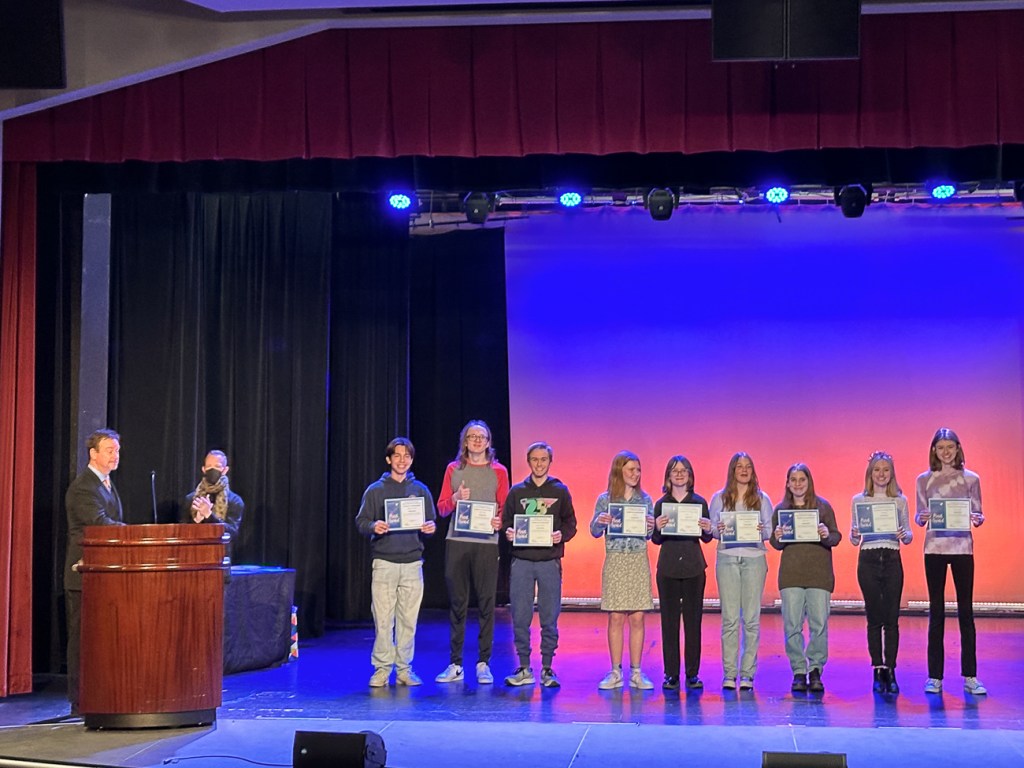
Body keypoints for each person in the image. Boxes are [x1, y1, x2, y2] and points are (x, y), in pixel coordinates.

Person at [354, 437, 437, 687]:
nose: (402, 460)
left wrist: (430, 528)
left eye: (407, 456)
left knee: (408, 621)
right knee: (383, 620)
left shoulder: (420, 490)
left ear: (411, 460)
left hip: (412, 563)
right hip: (384, 562)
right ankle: (381, 669)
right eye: (397, 456)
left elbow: (430, 522)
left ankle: (404, 670)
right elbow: (361, 521)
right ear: (389, 459)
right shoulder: (375, 490)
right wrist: (373, 526)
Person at [435, 420, 510, 685]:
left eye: (482, 436)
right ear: (464, 441)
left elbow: (505, 507)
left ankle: (483, 663)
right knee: (458, 603)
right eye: (472, 436)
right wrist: (456, 498)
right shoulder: (453, 469)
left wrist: (500, 520)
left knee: (487, 603)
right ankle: (455, 664)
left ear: (489, 442)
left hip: (487, 544)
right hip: (457, 541)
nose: (477, 440)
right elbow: (442, 508)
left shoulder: (499, 471)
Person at [915, 427, 986, 696]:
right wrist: (921, 518)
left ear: (958, 449)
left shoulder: (971, 479)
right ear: (934, 450)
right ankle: (935, 676)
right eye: (941, 447)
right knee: (936, 612)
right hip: (934, 548)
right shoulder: (924, 480)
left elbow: (977, 513)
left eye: (950, 447)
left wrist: (978, 519)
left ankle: (970, 676)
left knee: (966, 612)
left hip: (962, 549)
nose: (946, 452)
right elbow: (919, 516)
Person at [500, 441, 577, 688]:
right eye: (535, 459)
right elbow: (506, 522)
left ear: (550, 462)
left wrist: (561, 535)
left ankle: (547, 668)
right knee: (520, 616)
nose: (539, 463)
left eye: (544, 459)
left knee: (549, 617)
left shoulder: (560, 491)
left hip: (549, 562)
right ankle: (524, 667)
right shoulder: (517, 492)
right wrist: (509, 532)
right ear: (528, 461)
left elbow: (571, 524)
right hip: (522, 561)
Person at [64, 428, 126, 714]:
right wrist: (133, 534)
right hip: (83, 574)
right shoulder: (83, 487)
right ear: (93, 453)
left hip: (104, 575)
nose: (116, 455)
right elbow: (100, 524)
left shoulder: (107, 484)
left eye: (117, 450)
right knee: (82, 640)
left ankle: (100, 696)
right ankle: (80, 700)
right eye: (110, 450)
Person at [770, 463, 842, 694]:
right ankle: (799, 671)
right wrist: (777, 536)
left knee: (819, 624)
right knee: (792, 625)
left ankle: (816, 669)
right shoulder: (781, 510)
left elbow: (836, 537)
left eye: (802, 479)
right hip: (791, 575)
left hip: (819, 574)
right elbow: (776, 543)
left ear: (809, 482)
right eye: (793, 479)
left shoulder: (823, 507)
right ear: (787, 483)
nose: (798, 484)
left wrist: (826, 534)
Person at [589, 450, 656, 690]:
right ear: (619, 471)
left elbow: (649, 535)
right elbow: (594, 531)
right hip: (616, 559)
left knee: (637, 617)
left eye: (638, 470)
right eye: (631, 469)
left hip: (637, 559)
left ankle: (636, 672)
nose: (636, 474)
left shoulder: (646, 500)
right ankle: (615, 671)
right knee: (616, 616)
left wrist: (651, 526)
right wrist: (600, 521)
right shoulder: (605, 500)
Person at [849, 451, 913, 694]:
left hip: (892, 559)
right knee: (874, 618)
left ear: (892, 474)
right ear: (870, 473)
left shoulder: (900, 500)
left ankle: (891, 669)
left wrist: (904, 534)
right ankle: (877, 668)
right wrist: (854, 534)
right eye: (877, 469)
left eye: (886, 470)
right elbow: (854, 539)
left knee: (892, 619)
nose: (881, 474)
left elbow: (908, 535)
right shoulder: (859, 500)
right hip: (868, 560)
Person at [708, 452, 772, 691]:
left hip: (754, 559)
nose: (744, 470)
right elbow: (712, 530)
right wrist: (718, 528)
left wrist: (761, 529)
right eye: (739, 466)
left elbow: (770, 532)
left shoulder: (762, 499)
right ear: (732, 471)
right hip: (727, 559)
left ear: (753, 471)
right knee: (730, 620)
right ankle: (729, 674)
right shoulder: (719, 498)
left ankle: (747, 674)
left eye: (748, 466)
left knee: (752, 620)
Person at [652, 455, 712, 691]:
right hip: (668, 567)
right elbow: (656, 539)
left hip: (693, 567)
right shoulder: (661, 504)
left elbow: (706, 538)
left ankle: (692, 674)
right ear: (668, 475)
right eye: (674, 470)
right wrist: (657, 528)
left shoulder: (699, 502)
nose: (679, 474)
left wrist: (707, 529)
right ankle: (671, 674)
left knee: (693, 622)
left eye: (683, 470)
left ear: (690, 475)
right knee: (669, 623)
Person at [184, 450, 245, 560]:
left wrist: (209, 515)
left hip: (220, 557)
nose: (212, 470)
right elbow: (182, 531)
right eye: (209, 466)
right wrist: (197, 520)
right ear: (203, 469)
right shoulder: (190, 499)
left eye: (217, 466)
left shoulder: (234, 501)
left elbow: (232, 533)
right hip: (193, 556)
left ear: (225, 470)